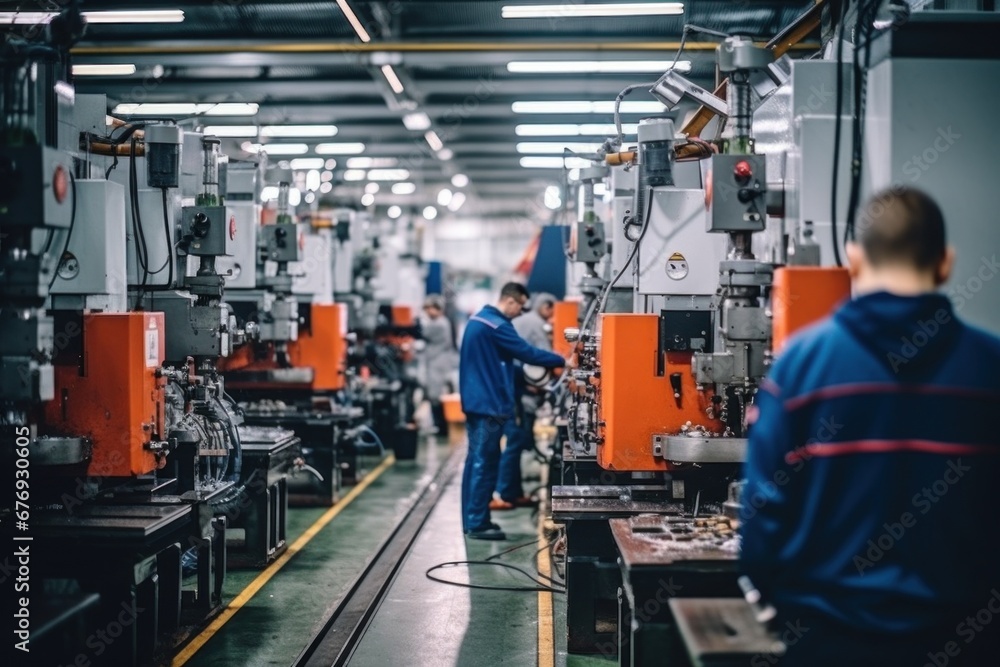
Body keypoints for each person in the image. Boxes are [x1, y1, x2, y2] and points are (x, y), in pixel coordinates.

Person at [740, 187, 1000, 666]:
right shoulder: (989, 370)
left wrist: (779, 599)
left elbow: (762, 512)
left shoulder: (801, 367)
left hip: (827, 642)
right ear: (945, 263)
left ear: (854, 261)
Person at [459, 282, 565, 540]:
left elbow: (502, 363)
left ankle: (473, 518)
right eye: (520, 307)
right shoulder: (496, 325)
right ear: (510, 301)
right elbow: (526, 352)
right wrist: (563, 360)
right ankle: (477, 523)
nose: (520, 313)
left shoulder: (479, 320)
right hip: (489, 405)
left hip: (478, 402)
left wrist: (526, 382)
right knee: (485, 461)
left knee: (476, 460)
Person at [491, 292, 557, 510]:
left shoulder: (518, 322)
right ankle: (503, 492)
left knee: (516, 443)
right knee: (514, 442)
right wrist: (564, 363)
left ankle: (512, 492)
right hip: (518, 394)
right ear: (545, 307)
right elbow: (537, 355)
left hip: (512, 389)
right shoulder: (536, 324)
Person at [420, 294, 456, 434]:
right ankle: (440, 425)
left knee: (436, 396)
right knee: (435, 394)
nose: (427, 312)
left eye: (429, 308)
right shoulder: (442, 322)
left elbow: (423, 332)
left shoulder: (439, 324)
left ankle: (441, 426)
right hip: (437, 362)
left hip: (437, 363)